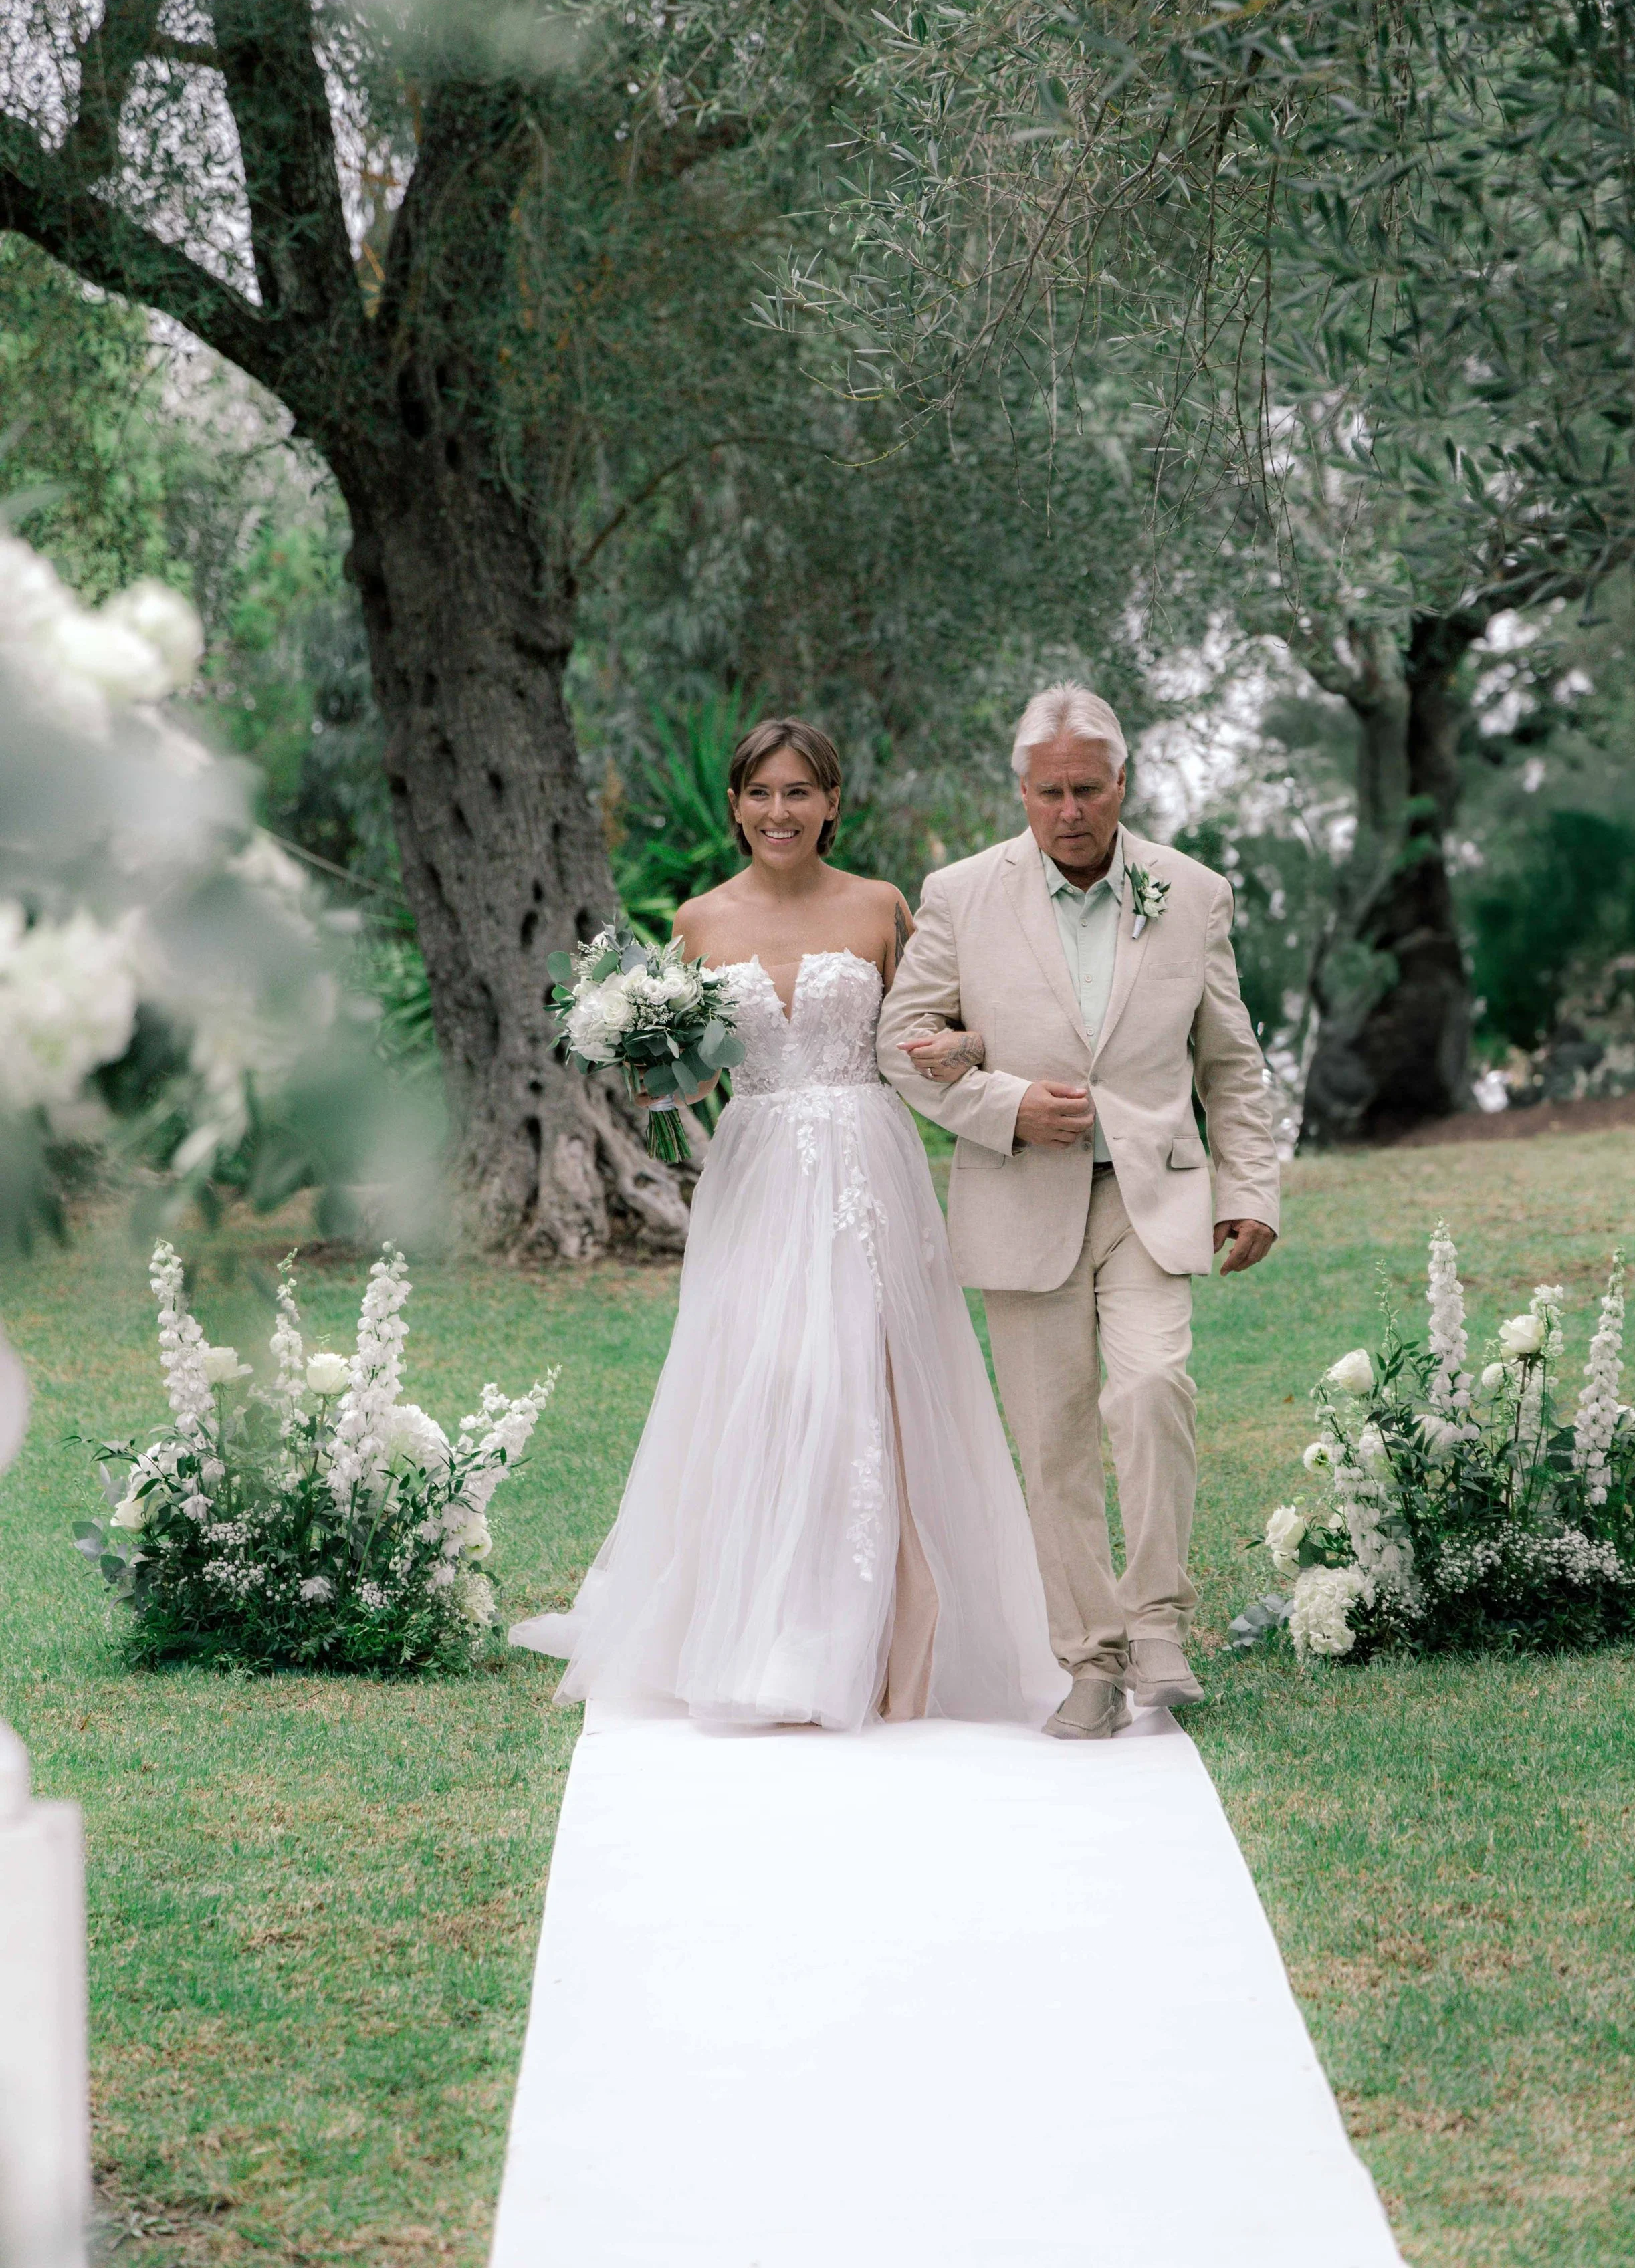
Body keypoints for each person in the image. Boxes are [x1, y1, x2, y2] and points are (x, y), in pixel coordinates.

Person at [511, 716, 1065, 1733]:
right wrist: (643, 1059)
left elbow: (946, 1026)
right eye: (761, 793)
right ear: (735, 805)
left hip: (868, 1168)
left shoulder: (883, 907)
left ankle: (896, 1637)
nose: (780, 811)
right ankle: (762, 1628)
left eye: (800, 792)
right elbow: (686, 1079)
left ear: (832, 803)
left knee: (864, 1378)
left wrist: (965, 1045)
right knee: (769, 1374)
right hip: (757, 1171)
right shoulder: (699, 920)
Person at [876, 682, 1280, 1742]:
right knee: (1051, 1443)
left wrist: (1249, 1189)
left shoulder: (1192, 892)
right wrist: (1005, 1105)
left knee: (1153, 1388)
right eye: (1049, 792)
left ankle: (1157, 1623)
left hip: (1149, 1197)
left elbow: (1231, 1063)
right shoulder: (962, 894)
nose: (1069, 811)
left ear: (1124, 784)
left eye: (1088, 790)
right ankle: (1089, 1661)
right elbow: (900, 1036)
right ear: (1021, 789)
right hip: (1020, 1202)